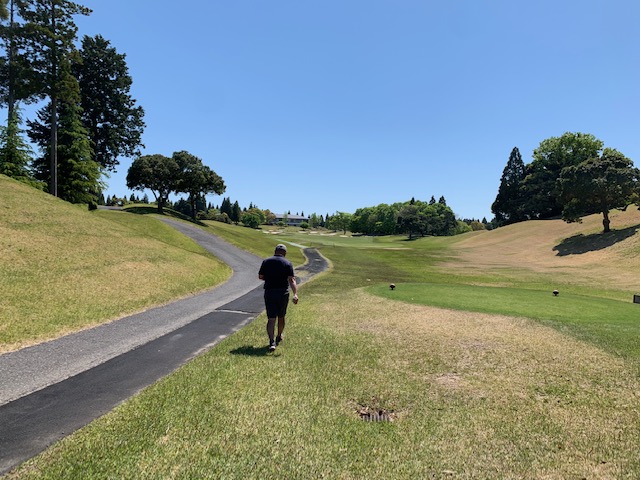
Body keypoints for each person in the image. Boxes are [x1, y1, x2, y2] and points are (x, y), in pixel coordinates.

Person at [258, 244, 298, 351]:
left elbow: (261, 276)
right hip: (282, 293)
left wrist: (270, 278)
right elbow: (291, 280)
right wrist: (295, 294)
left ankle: (271, 342)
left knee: (271, 318)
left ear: (275, 251)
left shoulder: (266, 261)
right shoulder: (287, 263)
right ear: (285, 253)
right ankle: (279, 336)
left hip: (269, 292)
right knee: (281, 316)